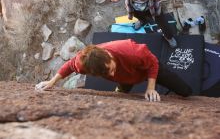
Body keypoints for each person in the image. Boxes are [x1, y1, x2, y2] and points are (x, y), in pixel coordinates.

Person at [35, 39, 192, 102]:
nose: (110, 74)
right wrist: (52, 81)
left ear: (109, 55)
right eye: (105, 74)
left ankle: (182, 91)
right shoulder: (86, 62)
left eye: (110, 69)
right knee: (120, 93)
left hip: (144, 69)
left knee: (185, 91)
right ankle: (121, 88)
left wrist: (151, 88)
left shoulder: (131, 51)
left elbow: (152, 63)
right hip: (125, 77)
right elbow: (69, 66)